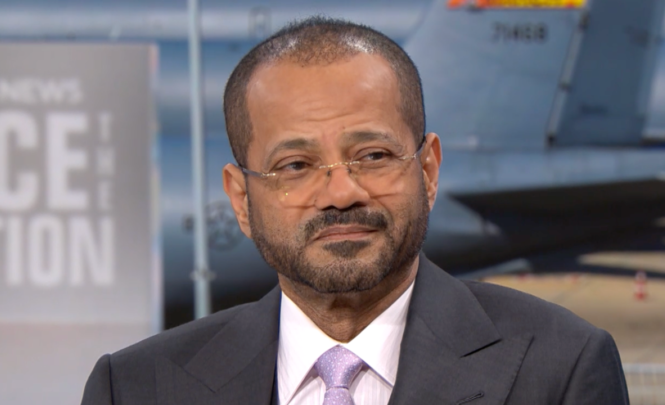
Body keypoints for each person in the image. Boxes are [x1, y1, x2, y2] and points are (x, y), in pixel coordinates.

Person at [81, 17, 629, 405]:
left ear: (428, 170)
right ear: (241, 199)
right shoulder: (134, 389)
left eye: (373, 156)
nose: (340, 193)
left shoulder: (561, 368)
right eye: (295, 165)